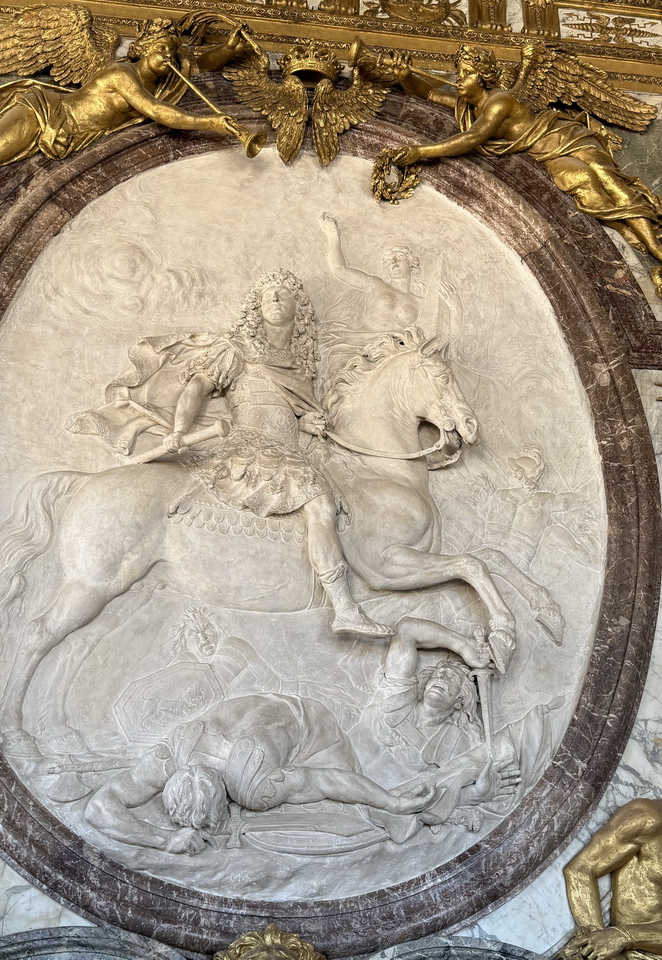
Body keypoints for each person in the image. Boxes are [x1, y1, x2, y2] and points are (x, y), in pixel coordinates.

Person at [161, 269, 393, 638]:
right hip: (251, 447)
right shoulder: (237, 349)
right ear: (255, 308)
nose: (274, 297)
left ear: (298, 310)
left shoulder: (298, 366)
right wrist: (179, 430)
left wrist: (304, 423)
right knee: (321, 505)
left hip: (288, 448)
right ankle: (345, 609)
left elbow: (279, 412)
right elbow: (197, 387)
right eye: (267, 293)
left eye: (284, 293)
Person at [0, 19, 252, 204]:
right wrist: (211, 122)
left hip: (66, 136)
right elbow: (158, 112)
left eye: (171, 52)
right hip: (45, 113)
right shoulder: (122, 75)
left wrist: (228, 50)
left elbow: (198, 64)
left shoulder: (166, 80)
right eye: (161, 50)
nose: (167, 57)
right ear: (143, 49)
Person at [388, 45, 662, 296]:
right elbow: (429, 93)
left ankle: (656, 251)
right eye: (459, 73)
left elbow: (474, 137)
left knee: (610, 181)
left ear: (482, 78)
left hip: (564, 137)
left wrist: (421, 152)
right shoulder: (469, 106)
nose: (460, 79)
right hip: (543, 154)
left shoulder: (498, 101)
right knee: (583, 182)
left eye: (467, 74)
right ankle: (627, 231)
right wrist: (405, 77)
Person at [85, 693, 436, 854]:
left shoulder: (253, 786)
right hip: (270, 704)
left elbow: (326, 780)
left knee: (362, 813)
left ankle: (401, 806)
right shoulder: (177, 748)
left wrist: (391, 802)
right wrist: (164, 838)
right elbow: (99, 806)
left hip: (314, 727)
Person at [354, 616, 554, 831]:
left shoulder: (459, 744)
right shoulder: (397, 702)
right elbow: (406, 630)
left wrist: (477, 793)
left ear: (460, 700)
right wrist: (464, 646)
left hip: (381, 811)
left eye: (451, 678)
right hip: (345, 781)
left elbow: (445, 791)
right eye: (438, 674)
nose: (441, 677)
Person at [561, 799, 662, 960]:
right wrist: (595, 940)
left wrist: (624, 936)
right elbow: (581, 869)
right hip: (634, 954)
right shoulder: (648, 818)